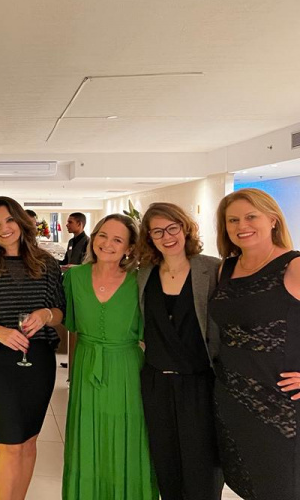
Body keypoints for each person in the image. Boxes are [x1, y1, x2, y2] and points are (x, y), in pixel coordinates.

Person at [0, 196, 64, 500]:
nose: (3, 228)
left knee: (29, 442)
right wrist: (0, 332)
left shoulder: (46, 264)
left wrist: (45, 315)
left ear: (21, 221)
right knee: (9, 444)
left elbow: (59, 311)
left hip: (39, 360)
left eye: (9, 220)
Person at [209, 188, 300, 500]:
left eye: (251, 217)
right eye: (233, 220)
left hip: (278, 401)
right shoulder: (225, 268)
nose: (241, 226)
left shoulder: (294, 266)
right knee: (246, 484)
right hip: (231, 396)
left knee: (280, 487)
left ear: (273, 220)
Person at [62, 213, 157, 500]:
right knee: (87, 435)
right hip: (86, 366)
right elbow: (69, 325)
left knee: (128, 435)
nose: (107, 244)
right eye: (103, 235)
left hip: (127, 369)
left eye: (118, 239)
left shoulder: (140, 280)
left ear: (129, 247)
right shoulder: (75, 277)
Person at [136, 203, 223, 499]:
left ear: (185, 228)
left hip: (199, 382)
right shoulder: (144, 274)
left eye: (172, 228)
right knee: (166, 465)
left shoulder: (212, 269)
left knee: (202, 468)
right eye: (158, 231)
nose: (167, 236)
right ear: (149, 237)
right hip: (156, 382)